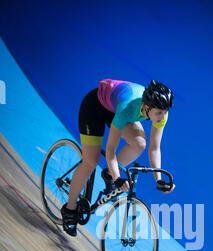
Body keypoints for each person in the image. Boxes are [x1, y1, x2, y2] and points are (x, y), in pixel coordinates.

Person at [61, 79, 175, 236]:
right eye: (159, 113)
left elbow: (154, 148)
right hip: (94, 108)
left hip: (114, 108)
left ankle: (108, 173)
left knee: (139, 144)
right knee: (91, 161)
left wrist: (159, 179)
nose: (162, 118)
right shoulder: (128, 108)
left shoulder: (161, 113)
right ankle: (69, 209)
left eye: (165, 112)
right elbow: (110, 151)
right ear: (147, 107)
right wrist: (118, 178)